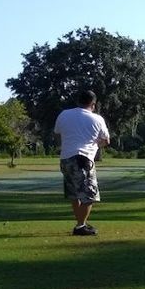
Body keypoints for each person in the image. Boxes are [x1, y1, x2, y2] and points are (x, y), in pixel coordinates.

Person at [54, 89, 110, 236]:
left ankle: (81, 224)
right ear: (93, 104)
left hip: (65, 158)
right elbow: (106, 140)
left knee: (74, 194)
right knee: (90, 194)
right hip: (83, 158)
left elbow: (58, 134)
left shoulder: (64, 114)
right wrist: (97, 145)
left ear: (78, 101)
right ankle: (80, 226)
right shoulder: (97, 119)